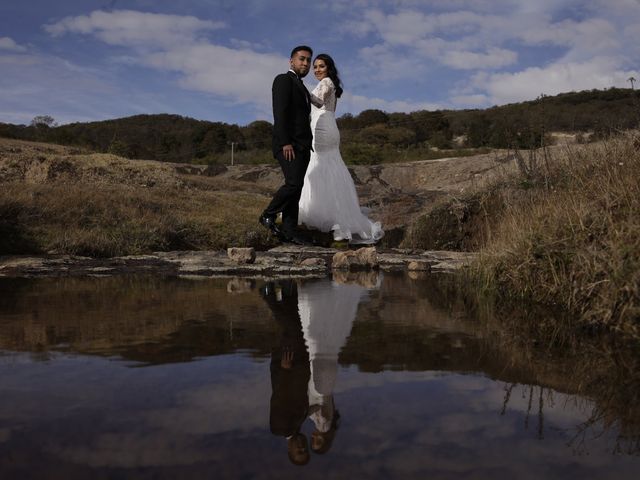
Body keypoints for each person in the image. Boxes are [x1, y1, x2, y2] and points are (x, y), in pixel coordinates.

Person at [299, 54, 384, 244]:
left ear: (328, 68)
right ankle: (331, 215)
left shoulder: (326, 83)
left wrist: (299, 88)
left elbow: (318, 102)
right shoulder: (329, 83)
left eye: (321, 66)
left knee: (321, 165)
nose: (317, 70)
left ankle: (333, 219)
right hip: (323, 125)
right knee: (325, 166)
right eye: (315, 67)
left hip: (323, 128)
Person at [259, 45, 314, 245]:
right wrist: (285, 142)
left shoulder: (302, 86)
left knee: (297, 189)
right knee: (293, 184)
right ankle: (268, 215)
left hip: (303, 146)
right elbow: (279, 113)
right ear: (291, 61)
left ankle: (290, 232)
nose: (305, 63)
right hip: (288, 144)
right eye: (301, 59)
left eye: (308, 60)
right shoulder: (283, 80)